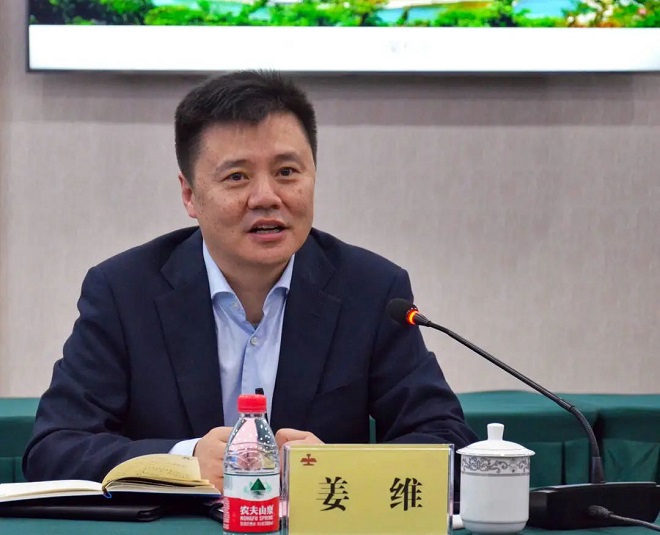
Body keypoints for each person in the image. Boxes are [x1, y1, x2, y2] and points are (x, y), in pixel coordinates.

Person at [23, 71, 477, 492]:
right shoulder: (124, 292)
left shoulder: (372, 291)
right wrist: (183, 460)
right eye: (237, 177)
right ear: (190, 195)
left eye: (287, 172)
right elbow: (54, 448)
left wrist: (337, 468)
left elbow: (449, 442)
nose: (266, 197)